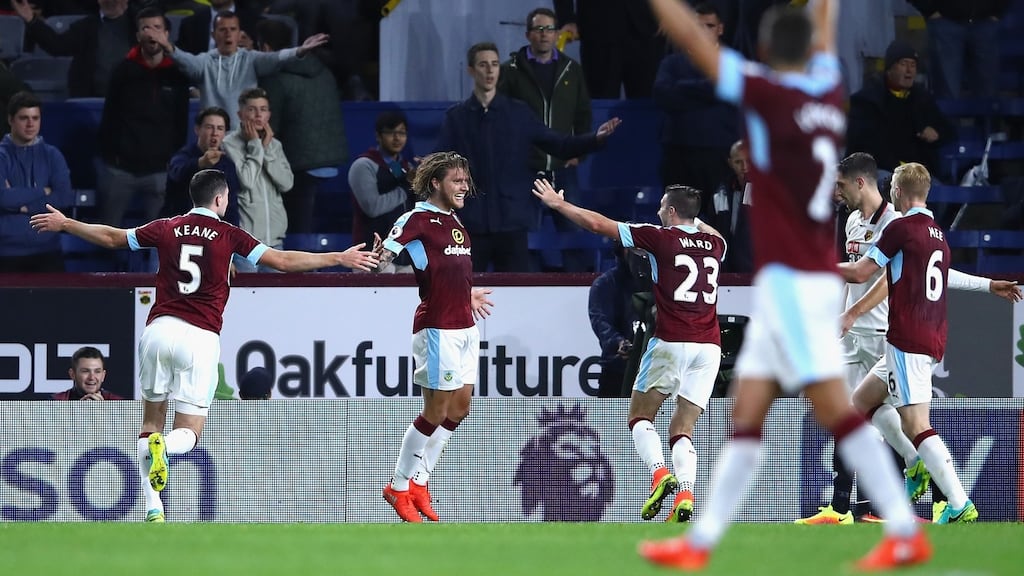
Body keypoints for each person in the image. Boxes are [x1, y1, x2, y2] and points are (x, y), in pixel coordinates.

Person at [640, 1, 931, 571]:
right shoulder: (828, 88)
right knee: (745, 413)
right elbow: (825, 22)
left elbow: (696, 46)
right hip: (798, 281)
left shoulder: (766, 92)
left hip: (796, 282)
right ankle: (699, 545)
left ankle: (903, 529)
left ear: (768, 52)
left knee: (836, 412)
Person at [30, 168, 378, 523]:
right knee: (189, 432)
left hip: (158, 330)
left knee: (151, 422)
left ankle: (153, 506)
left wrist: (67, 223)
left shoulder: (167, 226)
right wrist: (338, 257)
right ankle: (165, 449)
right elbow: (283, 261)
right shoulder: (229, 235)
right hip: (199, 336)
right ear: (219, 199)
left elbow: (112, 237)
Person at [837, 162, 1022, 525]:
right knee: (861, 403)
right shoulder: (935, 232)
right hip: (922, 337)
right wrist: (988, 285)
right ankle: (916, 463)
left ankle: (958, 502)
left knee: (917, 424)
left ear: (898, 192)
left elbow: (861, 272)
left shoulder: (900, 228)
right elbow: (942, 274)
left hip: (909, 337)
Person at [534, 180, 726, 525]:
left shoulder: (659, 237)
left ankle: (658, 474)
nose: (656, 213)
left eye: (661, 208)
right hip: (709, 346)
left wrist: (559, 205)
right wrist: (694, 219)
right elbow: (702, 226)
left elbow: (598, 224)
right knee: (683, 427)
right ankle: (686, 492)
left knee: (639, 416)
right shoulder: (715, 243)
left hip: (671, 341)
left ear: (670, 211)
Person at [371, 152, 495, 523]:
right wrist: (378, 258)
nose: (464, 187)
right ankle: (398, 485)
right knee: (435, 411)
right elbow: (386, 259)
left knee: (460, 409)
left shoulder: (456, 222)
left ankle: (422, 480)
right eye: (457, 180)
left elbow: (453, 272)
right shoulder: (416, 220)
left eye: (465, 180)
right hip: (437, 327)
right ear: (436, 183)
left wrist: (468, 294)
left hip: (465, 326)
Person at [435, 42, 621, 273]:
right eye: (483, 65)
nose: (490, 70)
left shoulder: (518, 113)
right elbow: (440, 164)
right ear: (471, 71)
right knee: (465, 292)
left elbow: (559, 144)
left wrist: (595, 138)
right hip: (471, 222)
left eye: (494, 64)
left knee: (517, 293)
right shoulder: (457, 117)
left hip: (512, 223)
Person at [498, 7, 592, 271]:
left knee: (574, 230)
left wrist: (579, 152)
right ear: (528, 34)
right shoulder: (511, 70)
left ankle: (578, 286)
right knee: (526, 235)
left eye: (549, 29)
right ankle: (529, 287)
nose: (544, 35)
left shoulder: (571, 70)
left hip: (563, 168)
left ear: (557, 34)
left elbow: (583, 114)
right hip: (526, 169)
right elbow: (501, 116)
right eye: (538, 29)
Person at [97, 7, 191, 228]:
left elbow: (181, 122)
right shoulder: (123, 71)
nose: (151, 34)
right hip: (120, 170)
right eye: (145, 28)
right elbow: (109, 117)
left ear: (167, 35)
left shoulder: (176, 74)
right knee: (107, 235)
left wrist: (172, 161)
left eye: (157, 28)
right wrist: (111, 157)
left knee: (160, 241)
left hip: (160, 171)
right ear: (138, 35)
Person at [154, 10, 329, 123]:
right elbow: (186, 60)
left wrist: (300, 50)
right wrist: (168, 47)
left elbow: (277, 58)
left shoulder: (251, 59)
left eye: (233, 29)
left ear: (240, 34)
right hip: (214, 141)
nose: (228, 34)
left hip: (246, 140)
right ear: (214, 35)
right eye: (223, 30)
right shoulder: (205, 61)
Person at [257, 16, 346, 235]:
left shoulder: (275, 78)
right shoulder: (324, 71)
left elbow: (269, 131)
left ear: (265, 47)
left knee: (294, 231)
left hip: (299, 167)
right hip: (333, 161)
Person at [653, 2, 740, 218]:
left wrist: (684, 88)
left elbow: (733, 93)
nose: (702, 32)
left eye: (708, 26)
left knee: (721, 217)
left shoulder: (732, 63)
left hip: (719, 156)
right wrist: (710, 88)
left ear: (720, 29)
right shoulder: (672, 63)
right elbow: (663, 96)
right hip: (678, 153)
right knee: (676, 218)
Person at [846, 40, 954, 180]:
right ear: (890, 69)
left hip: (917, 174)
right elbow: (864, 146)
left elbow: (949, 131)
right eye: (903, 64)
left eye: (913, 65)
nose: (909, 70)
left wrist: (936, 134)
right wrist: (898, 167)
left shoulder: (922, 98)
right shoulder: (868, 101)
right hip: (879, 171)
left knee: (935, 189)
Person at [0, 91, 73, 273]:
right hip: (6, 252)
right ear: (10, 120)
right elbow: (2, 198)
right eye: (24, 118)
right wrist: (44, 191)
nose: (30, 124)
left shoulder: (52, 155)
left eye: (35, 118)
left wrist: (19, 204)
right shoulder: (1, 156)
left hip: (47, 250)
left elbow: (64, 197)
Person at [221, 87, 293, 271]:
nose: (258, 115)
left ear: (269, 114)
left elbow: (286, 183)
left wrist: (267, 149)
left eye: (263, 109)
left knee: (276, 298)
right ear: (240, 113)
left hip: (274, 243)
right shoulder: (229, 144)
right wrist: (255, 145)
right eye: (252, 109)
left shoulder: (274, 145)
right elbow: (247, 180)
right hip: (246, 242)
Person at [10, 0, 135, 97]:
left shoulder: (138, 26)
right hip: (90, 99)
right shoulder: (85, 27)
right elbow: (57, 45)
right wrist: (31, 20)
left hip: (129, 99)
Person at [349, 110, 415, 273]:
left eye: (401, 133)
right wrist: (407, 188)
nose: (397, 138)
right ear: (378, 136)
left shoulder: (407, 168)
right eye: (390, 132)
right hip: (371, 256)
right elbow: (373, 207)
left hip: (405, 256)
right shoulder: (363, 165)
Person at [166, 107, 240, 224]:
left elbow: (231, 207)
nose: (215, 133)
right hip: (181, 228)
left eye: (220, 128)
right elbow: (176, 174)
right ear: (197, 129)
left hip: (213, 233)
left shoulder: (227, 164)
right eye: (209, 127)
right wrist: (200, 163)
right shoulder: (184, 155)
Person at [588, 243, 642, 398]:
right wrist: (618, 342)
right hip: (616, 369)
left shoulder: (655, 282)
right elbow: (600, 322)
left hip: (652, 370)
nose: (637, 254)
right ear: (620, 250)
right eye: (632, 249)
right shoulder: (604, 284)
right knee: (611, 421)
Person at [711, 140, 753, 274]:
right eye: (738, 162)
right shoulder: (719, 193)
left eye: (748, 161)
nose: (744, 167)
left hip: (756, 271)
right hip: (724, 270)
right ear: (730, 163)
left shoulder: (767, 194)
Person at [51, 346, 125, 401]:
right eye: (85, 371)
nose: (92, 377)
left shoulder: (119, 404)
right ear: (72, 374)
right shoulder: (56, 402)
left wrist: (104, 413)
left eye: (97, 371)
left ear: (103, 375)